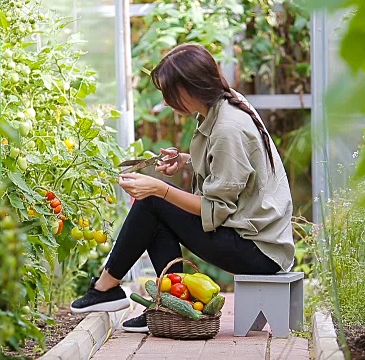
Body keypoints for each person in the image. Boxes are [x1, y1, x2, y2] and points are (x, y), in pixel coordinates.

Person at [69, 43, 295, 333]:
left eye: (169, 93)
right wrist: (186, 161)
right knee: (157, 210)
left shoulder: (228, 128)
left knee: (154, 202)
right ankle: (166, 304)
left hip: (258, 251)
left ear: (190, 88)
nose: (166, 101)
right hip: (258, 240)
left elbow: (216, 209)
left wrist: (160, 190)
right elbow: (234, 172)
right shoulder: (228, 103)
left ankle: (105, 289)